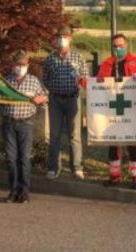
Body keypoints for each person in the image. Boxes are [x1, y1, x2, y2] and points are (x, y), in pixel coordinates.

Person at [0, 50, 47, 203]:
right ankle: (13, 190)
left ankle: (24, 192)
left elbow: (45, 100)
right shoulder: (6, 82)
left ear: (27, 65)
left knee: (25, 159)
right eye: (17, 64)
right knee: (10, 159)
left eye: (23, 64)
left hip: (26, 124)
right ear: (13, 65)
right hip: (9, 124)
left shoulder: (34, 81)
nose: (20, 67)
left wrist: (43, 98)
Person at [97, 33, 136, 189]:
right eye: (115, 46)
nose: (118, 49)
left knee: (133, 144)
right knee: (113, 143)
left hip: (132, 108)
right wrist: (84, 82)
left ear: (126, 45)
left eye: (121, 46)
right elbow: (97, 84)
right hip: (113, 109)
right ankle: (114, 176)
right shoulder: (106, 65)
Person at [42, 26, 88, 180]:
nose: (62, 39)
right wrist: (52, 92)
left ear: (70, 39)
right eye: (59, 36)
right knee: (54, 135)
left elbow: (86, 79)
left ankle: (77, 167)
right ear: (55, 39)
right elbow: (46, 80)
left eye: (65, 36)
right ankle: (53, 168)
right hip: (55, 99)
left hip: (73, 99)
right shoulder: (50, 59)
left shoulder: (78, 58)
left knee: (74, 135)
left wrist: (81, 83)